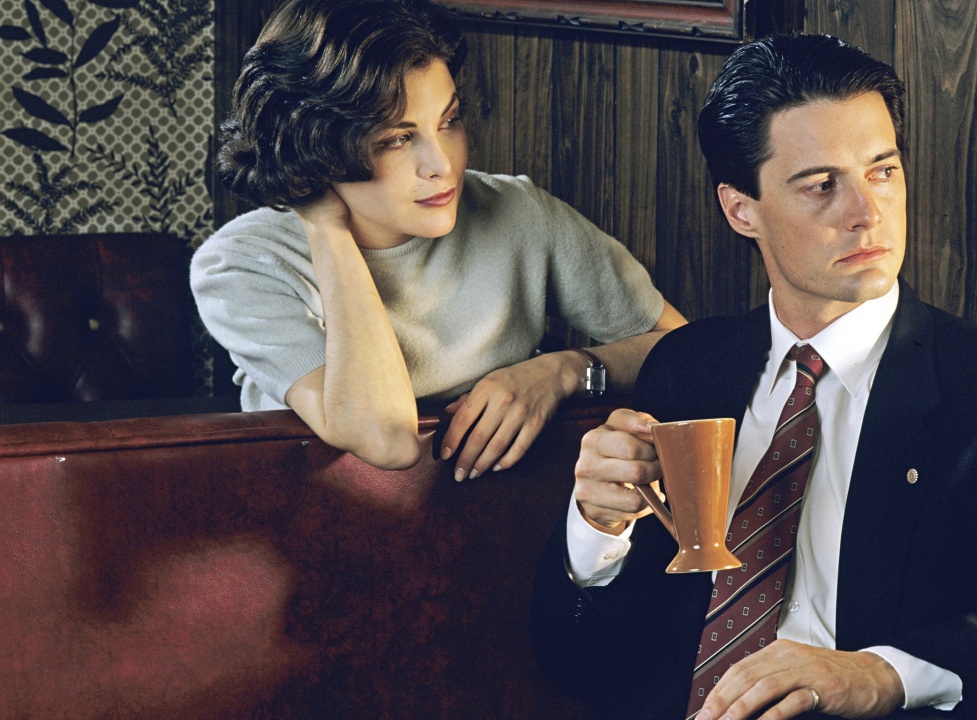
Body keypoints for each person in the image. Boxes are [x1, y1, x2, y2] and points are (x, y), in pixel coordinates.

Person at [530, 32, 977, 720]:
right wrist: (595, 532)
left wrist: (880, 674)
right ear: (742, 209)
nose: (867, 213)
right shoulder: (688, 370)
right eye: (822, 185)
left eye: (882, 171)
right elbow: (580, 665)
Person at [191, 0, 684, 473]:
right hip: (317, 521)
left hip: (506, 515)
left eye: (448, 121)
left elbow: (686, 350)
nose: (442, 164)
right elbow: (385, 439)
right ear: (316, 146)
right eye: (398, 139)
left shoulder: (519, 213)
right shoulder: (240, 266)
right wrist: (326, 228)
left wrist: (566, 370)